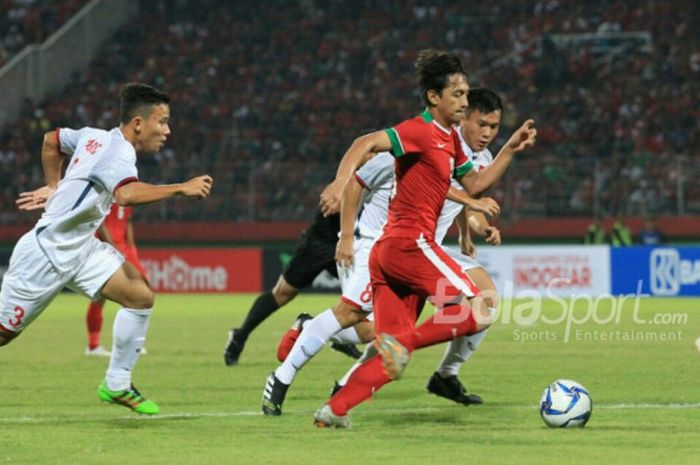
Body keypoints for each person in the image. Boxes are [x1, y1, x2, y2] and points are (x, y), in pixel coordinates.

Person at [312, 50, 536, 428]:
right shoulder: (417, 131)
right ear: (434, 97)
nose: (465, 102)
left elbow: (476, 184)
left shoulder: (449, 141)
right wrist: (340, 180)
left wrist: (510, 150)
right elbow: (363, 143)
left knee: (390, 359)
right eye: (458, 94)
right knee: (479, 308)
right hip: (410, 245)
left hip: (390, 254)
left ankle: (332, 412)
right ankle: (407, 344)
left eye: (466, 95)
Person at [265, 88, 511, 416]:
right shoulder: (415, 142)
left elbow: (464, 198)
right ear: (462, 116)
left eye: (495, 128)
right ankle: (297, 356)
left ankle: (444, 375)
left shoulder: (478, 158)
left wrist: (471, 232)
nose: (488, 134)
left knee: (486, 298)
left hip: (428, 247)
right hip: (382, 242)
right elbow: (359, 180)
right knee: (363, 324)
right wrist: (347, 235)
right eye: (482, 124)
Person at [1, 82, 213, 415]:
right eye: (162, 121)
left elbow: (52, 140)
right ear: (138, 124)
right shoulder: (119, 153)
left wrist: (54, 186)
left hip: (82, 248)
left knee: (140, 296)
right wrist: (180, 188)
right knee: (3, 335)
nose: (167, 130)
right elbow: (125, 195)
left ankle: (116, 383)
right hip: (45, 254)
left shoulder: (93, 135)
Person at [223, 208, 362, 366]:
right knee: (283, 293)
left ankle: (343, 336)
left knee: (362, 291)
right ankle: (239, 337)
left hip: (353, 244)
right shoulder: (346, 182)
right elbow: (333, 196)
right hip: (320, 242)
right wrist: (338, 191)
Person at [85, 203, 147, 356]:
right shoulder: (108, 193)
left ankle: (131, 342)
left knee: (142, 292)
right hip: (106, 249)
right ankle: (93, 346)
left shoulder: (128, 195)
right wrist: (112, 247)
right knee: (100, 297)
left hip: (124, 249)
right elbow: (100, 222)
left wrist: (132, 248)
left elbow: (128, 221)